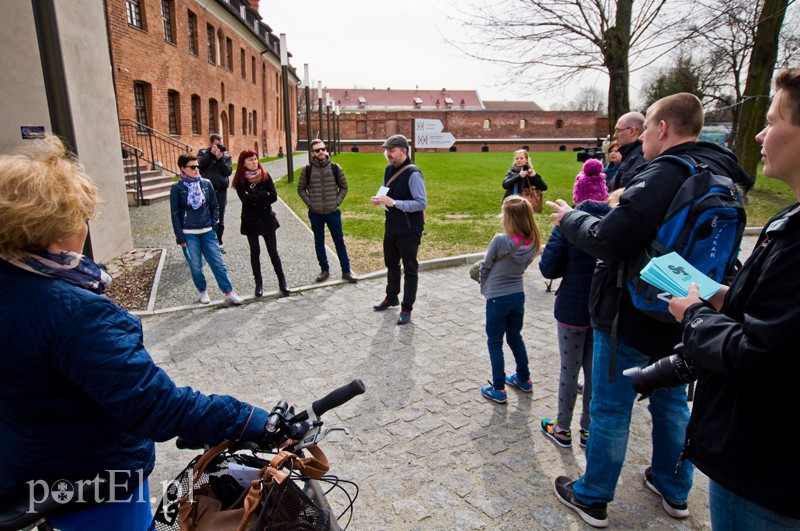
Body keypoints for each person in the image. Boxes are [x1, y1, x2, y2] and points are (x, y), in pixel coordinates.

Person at [0, 135, 273, 530]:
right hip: (90, 482)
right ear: (58, 224)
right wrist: (249, 419)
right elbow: (155, 405)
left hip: (27, 468)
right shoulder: (77, 314)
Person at [546, 93, 752, 528]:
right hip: (685, 312)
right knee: (673, 403)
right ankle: (674, 488)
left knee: (611, 407)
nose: (641, 137)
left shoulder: (665, 172)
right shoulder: (722, 173)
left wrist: (571, 219)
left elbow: (610, 239)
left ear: (661, 128)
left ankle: (593, 495)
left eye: (646, 128)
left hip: (631, 314)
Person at [667, 69, 800, 529]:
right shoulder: (790, 219)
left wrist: (696, 316)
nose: (761, 133)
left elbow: (762, 356)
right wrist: (728, 296)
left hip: (766, 471)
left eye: (773, 120)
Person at [538, 158, 611, 449]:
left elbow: (548, 268)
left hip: (571, 309)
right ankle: (588, 430)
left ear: (577, 194)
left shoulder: (568, 223)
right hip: (603, 310)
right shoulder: (616, 221)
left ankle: (562, 428)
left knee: (570, 370)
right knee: (594, 371)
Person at [478, 196, 541, 403]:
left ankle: (498, 388)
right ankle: (524, 378)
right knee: (515, 337)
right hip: (517, 295)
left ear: (510, 218)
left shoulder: (500, 240)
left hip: (497, 297)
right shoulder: (532, 241)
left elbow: (485, 266)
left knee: (495, 342)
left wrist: (484, 288)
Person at [370, 134, 427, 325]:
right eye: (387, 150)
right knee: (391, 264)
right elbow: (389, 192)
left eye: (391, 151)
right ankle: (391, 296)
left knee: (410, 269)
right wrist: (380, 199)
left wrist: (394, 203)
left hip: (410, 230)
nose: (388, 154)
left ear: (404, 151)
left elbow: (421, 203)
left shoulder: (414, 174)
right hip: (392, 226)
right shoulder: (389, 169)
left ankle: (406, 308)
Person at [170, 153, 242, 305]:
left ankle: (228, 292)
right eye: (192, 167)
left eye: (198, 166)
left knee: (218, 263)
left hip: (208, 231)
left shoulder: (206, 183)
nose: (197, 169)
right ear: (183, 168)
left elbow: (214, 206)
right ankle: (203, 291)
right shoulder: (177, 188)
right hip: (189, 234)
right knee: (196, 266)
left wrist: (213, 224)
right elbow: (175, 214)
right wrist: (180, 238)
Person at [298, 139, 358, 284]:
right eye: (317, 150)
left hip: (333, 212)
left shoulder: (335, 168)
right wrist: (311, 204)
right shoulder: (307, 170)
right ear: (313, 153)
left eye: (323, 149)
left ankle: (346, 271)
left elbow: (344, 187)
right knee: (319, 242)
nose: (321, 152)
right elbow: (300, 189)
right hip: (315, 212)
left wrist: (336, 202)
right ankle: (324, 270)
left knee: (339, 241)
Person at [232, 150, 290, 297]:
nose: (254, 162)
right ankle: (259, 284)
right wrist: (263, 195)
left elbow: (274, 197)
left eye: (256, 159)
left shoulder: (265, 176)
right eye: (250, 159)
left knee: (273, 252)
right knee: (255, 253)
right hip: (250, 220)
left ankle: (282, 281)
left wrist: (255, 196)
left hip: (266, 219)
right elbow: (245, 200)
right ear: (243, 162)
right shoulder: (240, 181)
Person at [198, 134, 233, 253]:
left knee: (220, 218)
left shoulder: (226, 156)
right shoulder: (203, 153)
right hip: (206, 190)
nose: (219, 147)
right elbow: (200, 166)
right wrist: (210, 154)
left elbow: (228, 172)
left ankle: (218, 243)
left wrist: (220, 159)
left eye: (221, 144)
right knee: (205, 216)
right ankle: (206, 244)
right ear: (211, 143)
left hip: (220, 190)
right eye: (217, 145)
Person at [607, 112, 646, 191]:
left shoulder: (637, 158)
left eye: (617, 130)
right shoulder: (631, 155)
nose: (615, 135)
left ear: (632, 131)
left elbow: (628, 196)